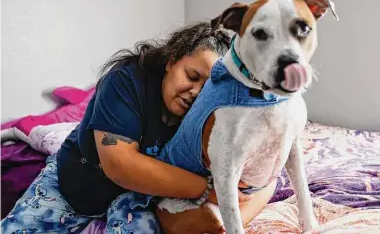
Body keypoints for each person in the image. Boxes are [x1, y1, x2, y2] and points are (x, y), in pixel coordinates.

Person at [1, 22, 277, 234]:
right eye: (192, 76)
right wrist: (209, 189)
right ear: (172, 61)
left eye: (208, 90)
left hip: (142, 197)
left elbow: (264, 172)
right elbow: (119, 162)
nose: (196, 93)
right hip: (78, 179)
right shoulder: (125, 80)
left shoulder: (214, 112)